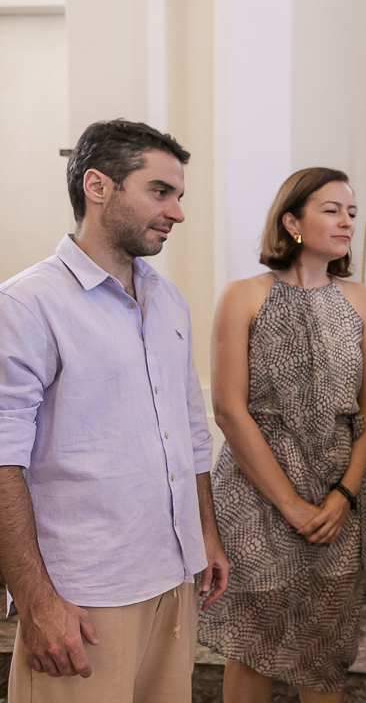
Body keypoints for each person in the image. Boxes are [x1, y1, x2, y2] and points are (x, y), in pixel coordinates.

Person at [0, 120, 228, 702]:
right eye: (160, 191)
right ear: (98, 186)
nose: (177, 212)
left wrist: (204, 533)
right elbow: (3, 460)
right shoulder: (28, 305)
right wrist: (35, 601)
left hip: (172, 575)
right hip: (84, 594)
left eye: (179, 196)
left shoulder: (167, 298)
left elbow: (189, 433)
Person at [198, 167, 366, 701]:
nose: (347, 220)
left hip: (337, 496)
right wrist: (291, 505)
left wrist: (345, 493)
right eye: (331, 210)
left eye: (351, 210)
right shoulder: (243, 296)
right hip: (258, 496)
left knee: (322, 650)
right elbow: (230, 410)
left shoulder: (360, 301)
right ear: (291, 222)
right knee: (256, 643)